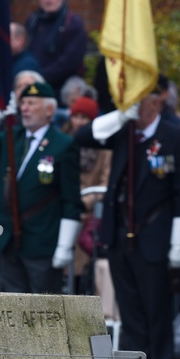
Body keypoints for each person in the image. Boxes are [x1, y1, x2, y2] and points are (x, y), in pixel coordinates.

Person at [72, 79, 180, 359]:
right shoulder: (122, 131)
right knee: (129, 307)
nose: (136, 105)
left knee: (156, 306)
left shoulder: (175, 137)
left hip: (155, 234)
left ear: (157, 101)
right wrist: (119, 116)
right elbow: (82, 136)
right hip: (119, 235)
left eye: (141, 98)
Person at [0, 81, 83, 294]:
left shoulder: (62, 145)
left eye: (31, 103)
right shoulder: (13, 137)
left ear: (49, 110)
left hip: (41, 240)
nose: (25, 108)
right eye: (23, 103)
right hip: (9, 239)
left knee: (45, 309)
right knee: (13, 306)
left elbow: (71, 199)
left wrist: (65, 246)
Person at [62, 96, 116, 319]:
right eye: (76, 116)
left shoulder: (104, 147)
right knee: (66, 269)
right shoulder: (64, 142)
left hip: (91, 216)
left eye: (85, 117)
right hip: (67, 214)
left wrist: (86, 201)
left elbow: (106, 182)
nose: (80, 121)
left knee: (89, 270)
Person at [25, 0, 88, 97]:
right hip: (34, 84)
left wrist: (41, 76)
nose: (49, 0)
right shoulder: (32, 21)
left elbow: (70, 61)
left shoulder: (73, 24)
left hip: (62, 88)